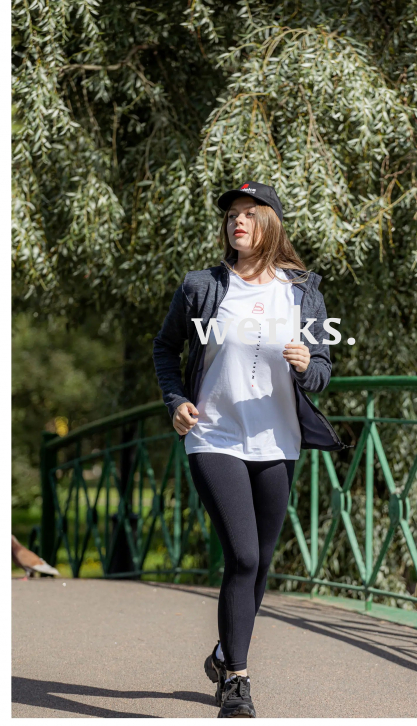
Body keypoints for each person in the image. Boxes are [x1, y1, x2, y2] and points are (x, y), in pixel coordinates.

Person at [152, 181, 349, 718]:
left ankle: (223, 654)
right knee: (241, 555)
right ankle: (237, 681)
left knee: (258, 563)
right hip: (213, 435)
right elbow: (166, 347)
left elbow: (323, 369)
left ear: (271, 224)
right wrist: (176, 400)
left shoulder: (302, 291)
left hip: (277, 441)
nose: (237, 221)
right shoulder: (202, 287)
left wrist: (308, 366)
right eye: (232, 215)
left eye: (249, 213)